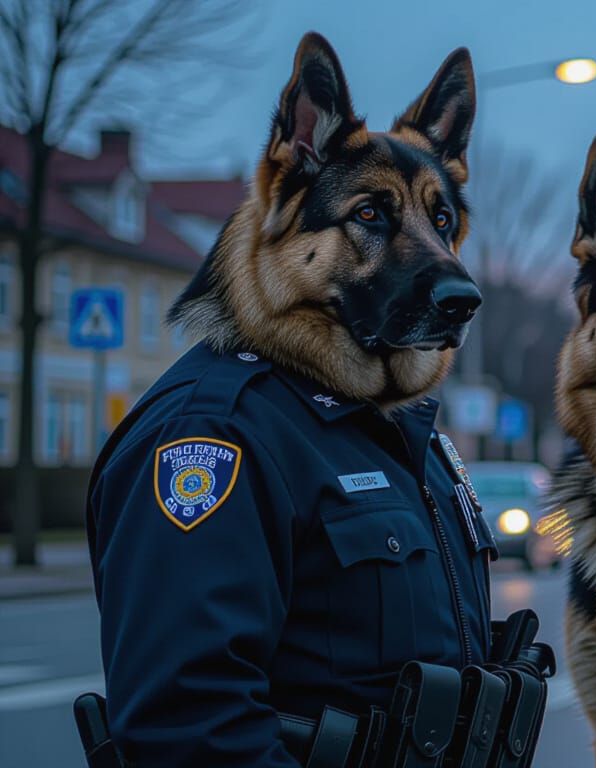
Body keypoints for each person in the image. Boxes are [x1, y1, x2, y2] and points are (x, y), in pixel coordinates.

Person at [85, 33, 496, 766]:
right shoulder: (215, 434)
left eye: (438, 223)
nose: (444, 268)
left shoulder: (392, 432)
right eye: (371, 218)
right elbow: (191, 731)